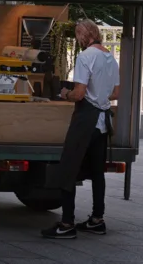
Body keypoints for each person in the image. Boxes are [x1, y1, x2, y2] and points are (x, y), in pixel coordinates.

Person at [43, 18, 121, 239]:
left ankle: (67, 223)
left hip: (86, 119)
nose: (77, 40)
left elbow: (79, 93)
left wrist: (65, 94)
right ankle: (98, 219)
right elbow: (116, 93)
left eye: (78, 35)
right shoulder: (110, 57)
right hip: (103, 123)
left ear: (84, 35)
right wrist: (100, 98)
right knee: (98, 172)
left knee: (68, 168)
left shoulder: (86, 56)